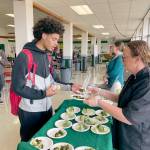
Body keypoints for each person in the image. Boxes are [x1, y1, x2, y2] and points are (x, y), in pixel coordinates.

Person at [11, 17, 78, 142]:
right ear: (44, 35)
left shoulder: (47, 56)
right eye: (54, 39)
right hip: (30, 112)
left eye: (57, 40)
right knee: (31, 142)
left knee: (46, 139)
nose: (56, 43)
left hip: (47, 108)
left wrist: (70, 86)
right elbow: (17, 87)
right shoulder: (24, 56)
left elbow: (54, 79)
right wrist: (43, 93)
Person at [85, 40, 150, 150]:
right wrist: (99, 91)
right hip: (123, 134)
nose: (122, 60)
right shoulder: (133, 76)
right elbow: (121, 98)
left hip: (135, 141)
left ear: (137, 59)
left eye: (124, 57)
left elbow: (129, 117)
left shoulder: (147, 83)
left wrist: (98, 102)